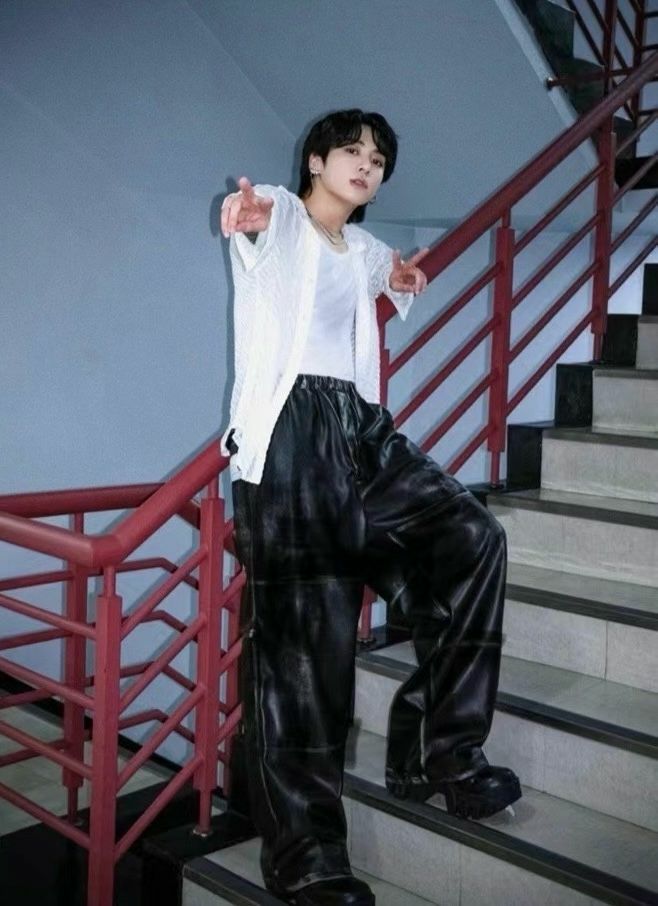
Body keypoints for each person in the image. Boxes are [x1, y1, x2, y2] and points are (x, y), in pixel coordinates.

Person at [219, 109, 521, 906]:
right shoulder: (282, 216)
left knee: (473, 541)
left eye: (378, 159)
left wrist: (402, 279)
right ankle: (306, 857)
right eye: (351, 151)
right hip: (289, 443)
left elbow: (384, 269)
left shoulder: (360, 247)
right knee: (304, 654)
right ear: (316, 161)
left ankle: (443, 752)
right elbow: (260, 221)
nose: (366, 164)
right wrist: (248, 214)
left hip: (359, 428)